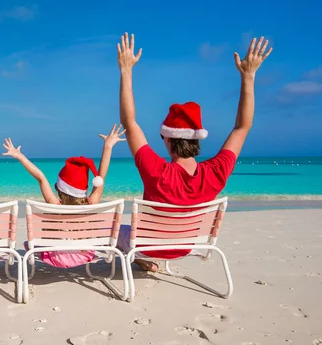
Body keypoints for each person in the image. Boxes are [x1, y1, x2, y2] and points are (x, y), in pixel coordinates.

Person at [115, 32, 273, 271]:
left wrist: (126, 70)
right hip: (185, 246)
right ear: (197, 141)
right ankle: (140, 258)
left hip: (148, 245)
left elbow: (130, 123)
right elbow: (242, 127)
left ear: (167, 139)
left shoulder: (156, 170)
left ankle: (138, 256)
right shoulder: (216, 172)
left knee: (114, 227)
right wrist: (248, 76)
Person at [2, 125, 126, 268]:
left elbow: (41, 177)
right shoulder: (91, 203)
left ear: (60, 189)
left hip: (55, 257)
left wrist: (20, 156)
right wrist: (108, 146)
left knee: (29, 244)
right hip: (83, 256)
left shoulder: (55, 205)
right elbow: (101, 176)